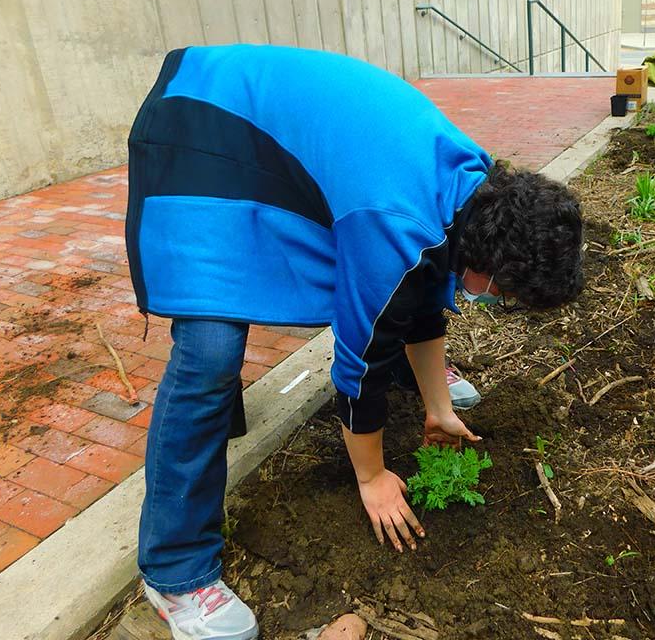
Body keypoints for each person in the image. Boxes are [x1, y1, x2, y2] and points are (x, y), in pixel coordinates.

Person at [124, 45, 585, 640]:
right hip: (198, 126)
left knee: (380, 292)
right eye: (507, 295)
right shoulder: (396, 222)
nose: (500, 304)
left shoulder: (476, 191)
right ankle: (174, 570)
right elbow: (360, 362)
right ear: (490, 266)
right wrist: (371, 477)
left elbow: (418, 293)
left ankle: (224, 419)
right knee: (210, 350)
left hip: (263, 124)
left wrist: (437, 410)